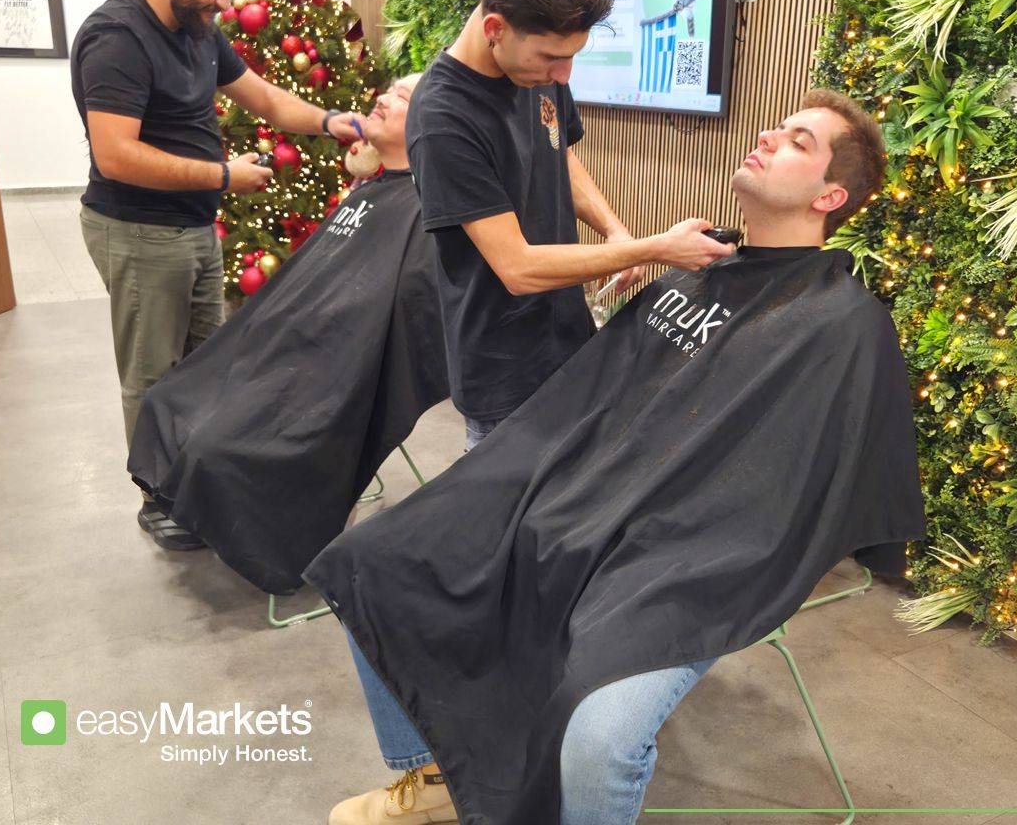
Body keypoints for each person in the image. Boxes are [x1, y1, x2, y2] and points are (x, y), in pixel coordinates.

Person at [306, 89, 927, 825]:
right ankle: (436, 778)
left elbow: (816, 480)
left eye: (798, 141)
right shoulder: (698, 266)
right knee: (370, 561)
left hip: (687, 557)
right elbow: (597, 403)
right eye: (777, 126)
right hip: (580, 501)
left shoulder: (845, 322)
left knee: (599, 739)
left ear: (830, 195)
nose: (768, 135)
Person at [71, 0, 365, 550]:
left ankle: (197, 481)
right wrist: (223, 176)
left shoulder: (196, 26)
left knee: (206, 365)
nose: (226, 2)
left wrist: (329, 121)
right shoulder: (117, 38)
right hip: (139, 231)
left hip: (194, 227)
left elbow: (264, 97)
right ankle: (158, 497)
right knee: (154, 374)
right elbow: (116, 156)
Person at [405, 0, 735, 454]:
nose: (563, 75)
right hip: (503, 371)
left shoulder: (538, 71)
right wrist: (653, 248)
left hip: (566, 340)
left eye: (574, 57)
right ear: (495, 29)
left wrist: (615, 230)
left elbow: (557, 152)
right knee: (505, 506)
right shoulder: (443, 119)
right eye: (552, 58)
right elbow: (517, 268)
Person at [126, 76, 449, 593]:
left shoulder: (426, 207)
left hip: (328, 368)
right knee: (170, 400)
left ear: (431, 121)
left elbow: (400, 318)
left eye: (401, 97)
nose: (381, 97)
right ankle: (196, 506)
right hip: (288, 348)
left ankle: (236, 520)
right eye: (385, 90)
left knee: (214, 442)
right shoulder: (373, 189)